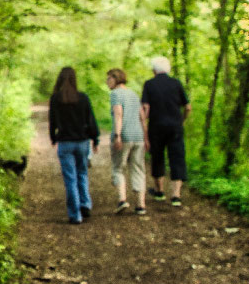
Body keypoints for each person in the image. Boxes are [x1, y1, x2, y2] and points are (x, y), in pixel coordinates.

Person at [49, 66, 100, 224]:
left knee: (70, 178)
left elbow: (53, 121)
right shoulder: (83, 97)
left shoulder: (56, 99)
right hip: (82, 142)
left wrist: (53, 137)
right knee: (82, 174)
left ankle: (75, 214)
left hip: (65, 143)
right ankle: (85, 204)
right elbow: (90, 120)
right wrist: (95, 139)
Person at [140, 56, 192, 207]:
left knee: (157, 157)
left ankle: (159, 191)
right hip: (175, 126)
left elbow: (145, 108)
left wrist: (144, 124)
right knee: (177, 157)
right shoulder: (176, 83)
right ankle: (176, 195)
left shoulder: (149, 84)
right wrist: (181, 120)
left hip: (156, 126)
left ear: (154, 70)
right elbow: (188, 107)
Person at [106, 68, 148, 216]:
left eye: (109, 78)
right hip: (138, 137)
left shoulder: (116, 94)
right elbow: (142, 117)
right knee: (138, 169)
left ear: (115, 78)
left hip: (123, 136)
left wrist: (117, 135)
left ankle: (122, 200)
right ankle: (141, 205)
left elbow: (118, 115)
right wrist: (146, 137)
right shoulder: (133, 94)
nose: (107, 81)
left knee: (118, 168)